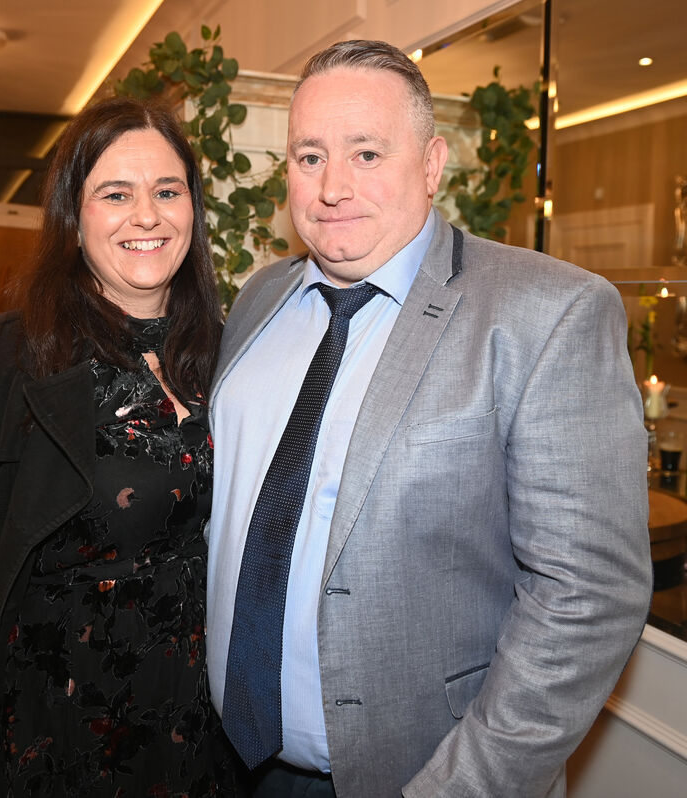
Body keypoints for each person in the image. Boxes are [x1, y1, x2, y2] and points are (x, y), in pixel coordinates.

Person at [206, 39, 652, 798]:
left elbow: (588, 599)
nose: (332, 187)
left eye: (368, 153)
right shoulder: (259, 299)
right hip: (228, 762)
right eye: (309, 157)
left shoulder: (547, 313)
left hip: (418, 774)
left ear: (432, 163)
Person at [0, 96, 239, 797]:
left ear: (192, 210)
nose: (147, 215)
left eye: (167, 191)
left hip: (203, 747)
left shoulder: (228, 354)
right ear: (72, 215)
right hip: (56, 746)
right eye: (115, 193)